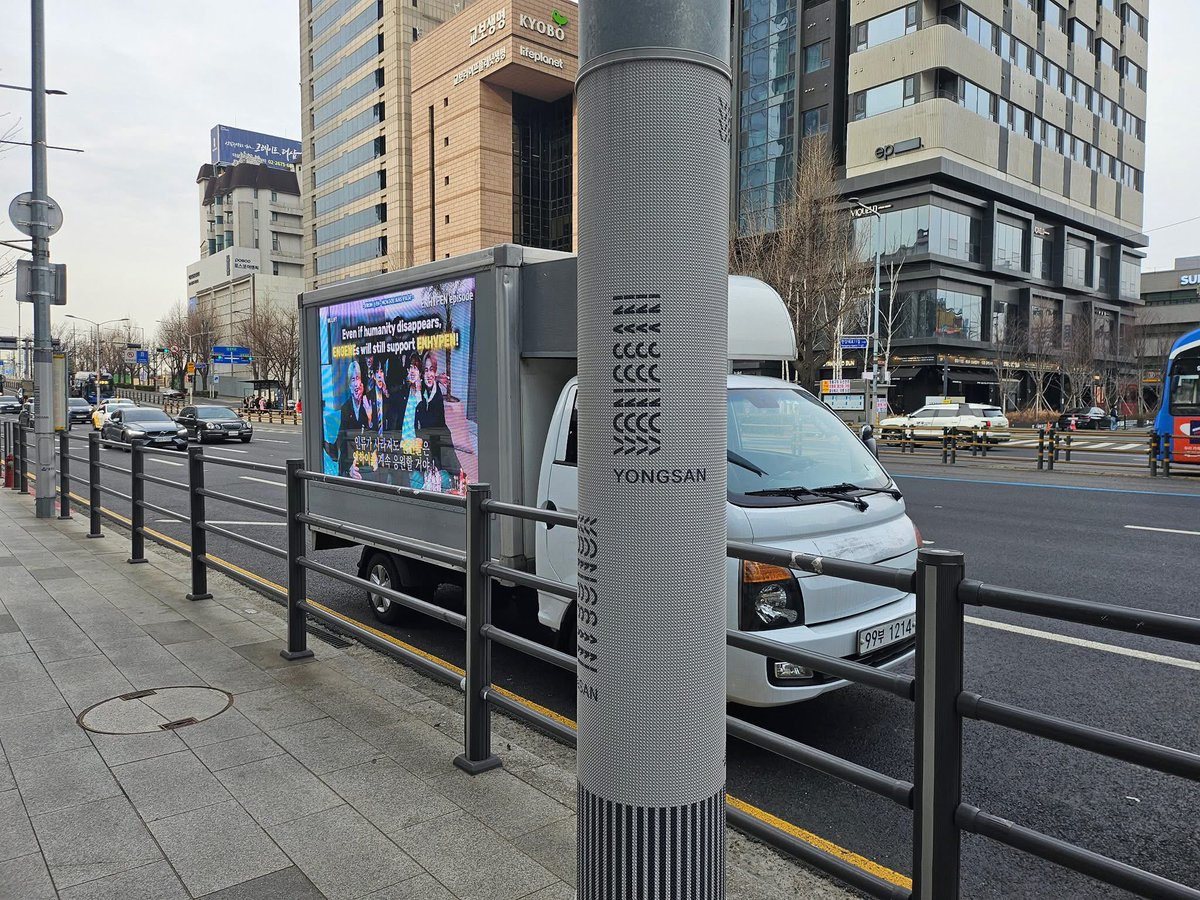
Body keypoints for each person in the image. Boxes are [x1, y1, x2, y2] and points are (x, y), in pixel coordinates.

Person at [325, 358, 372, 478]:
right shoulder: (346, 407)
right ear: (349, 385)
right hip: (350, 459)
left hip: (366, 459)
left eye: (358, 378)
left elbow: (375, 435)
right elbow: (342, 438)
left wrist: (370, 417)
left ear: (362, 382)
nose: (356, 384)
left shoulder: (368, 403)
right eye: (352, 379)